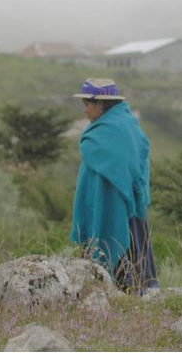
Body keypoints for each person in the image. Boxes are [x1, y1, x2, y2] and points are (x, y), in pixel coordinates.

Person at [70, 78, 158, 294]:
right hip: (118, 204)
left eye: (87, 104)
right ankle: (128, 288)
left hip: (118, 205)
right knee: (131, 246)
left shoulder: (113, 129)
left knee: (118, 245)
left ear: (101, 104)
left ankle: (120, 290)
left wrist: (124, 193)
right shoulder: (124, 124)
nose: (84, 110)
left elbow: (127, 164)